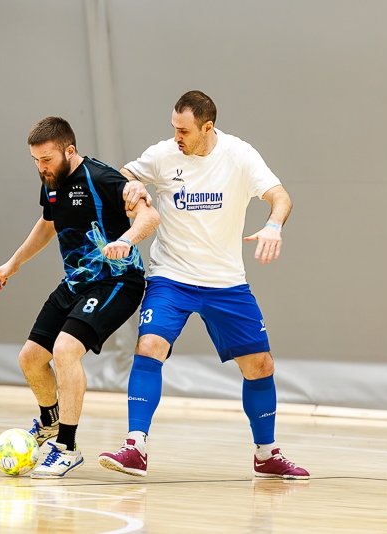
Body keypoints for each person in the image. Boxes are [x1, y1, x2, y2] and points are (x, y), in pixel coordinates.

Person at [98, 91, 309, 479]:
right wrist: (133, 186)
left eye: (184, 131)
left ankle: (266, 455)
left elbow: (280, 197)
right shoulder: (163, 155)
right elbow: (123, 174)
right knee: (150, 345)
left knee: (260, 365)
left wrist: (273, 225)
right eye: (173, 128)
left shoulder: (239, 155)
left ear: (207, 127)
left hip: (225, 282)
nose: (176, 137)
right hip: (171, 277)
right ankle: (135, 447)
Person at [0, 117, 160, 478]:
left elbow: (149, 217)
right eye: (35, 160)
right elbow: (48, 223)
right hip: (76, 282)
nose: (41, 167)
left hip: (116, 282)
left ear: (69, 150)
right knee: (31, 359)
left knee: (65, 350)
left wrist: (126, 240)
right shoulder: (51, 182)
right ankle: (50, 421)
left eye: (47, 159)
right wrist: (13, 263)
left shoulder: (102, 178)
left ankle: (66, 447)